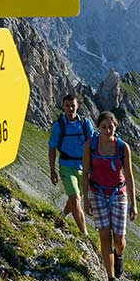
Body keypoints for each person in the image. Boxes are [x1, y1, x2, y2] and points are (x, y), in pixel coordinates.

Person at [82, 111, 138, 281]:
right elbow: (85, 173)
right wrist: (86, 199)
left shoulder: (123, 148)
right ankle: (111, 279)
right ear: (98, 127)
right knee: (104, 236)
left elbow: (129, 176)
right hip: (97, 193)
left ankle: (119, 256)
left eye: (110, 127)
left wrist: (133, 204)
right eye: (103, 127)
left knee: (119, 240)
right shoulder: (90, 145)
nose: (107, 130)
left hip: (118, 194)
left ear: (116, 127)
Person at [48, 94, 92, 234]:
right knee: (76, 200)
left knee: (75, 197)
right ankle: (84, 234)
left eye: (73, 105)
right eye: (67, 106)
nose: (70, 109)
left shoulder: (85, 124)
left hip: (84, 168)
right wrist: (52, 171)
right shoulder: (58, 126)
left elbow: (92, 146)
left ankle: (61, 216)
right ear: (63, 106)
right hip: (66, 166)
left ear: (77, 106)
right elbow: (52, 149)